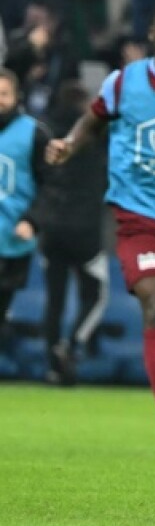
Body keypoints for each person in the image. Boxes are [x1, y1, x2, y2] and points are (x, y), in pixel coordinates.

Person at [46, 0, 155, 451]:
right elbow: (91, 122)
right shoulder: (124, 82)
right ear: (150, 33)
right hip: (138, 216)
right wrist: (70, 145)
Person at [38, 81, 107, 386]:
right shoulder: (94, 137)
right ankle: (74, 343)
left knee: (54, 299)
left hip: (51, 230)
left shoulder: (47, 133)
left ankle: (53, 362)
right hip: (86, 232)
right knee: (96, 293)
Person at [0, 68, 48, 339]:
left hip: (12, 240)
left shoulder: (34, 134)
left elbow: (52, 185)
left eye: (4, 94)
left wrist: (33, 220)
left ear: (17, 97)